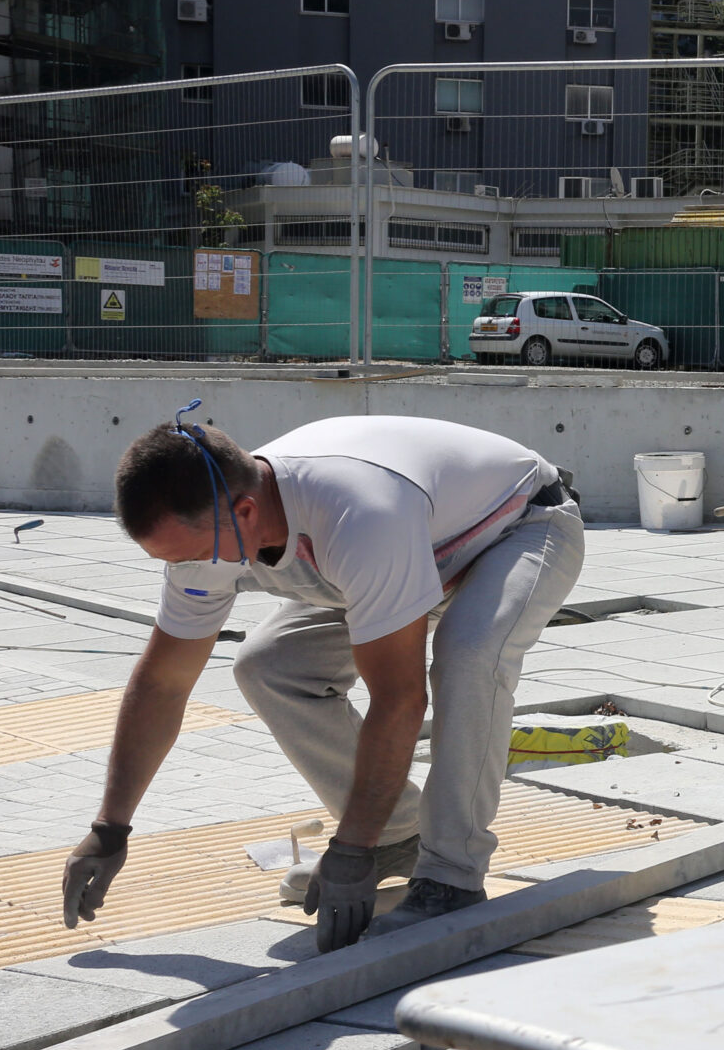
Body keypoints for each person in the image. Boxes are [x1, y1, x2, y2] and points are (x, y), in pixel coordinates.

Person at [60, 405, 584, 951]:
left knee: (469, 656)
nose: (189, 569)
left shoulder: (358, 515)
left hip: (519, 527)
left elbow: (399, 699)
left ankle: (450, 876)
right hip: (410, 552)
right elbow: (164, 684)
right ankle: (397, 836)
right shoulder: (213, 531)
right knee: (269, 665)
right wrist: (109, 828)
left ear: (245, 512)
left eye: (192, 555)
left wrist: (350, 848)